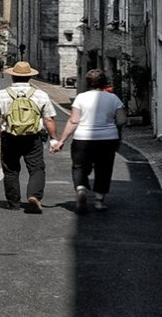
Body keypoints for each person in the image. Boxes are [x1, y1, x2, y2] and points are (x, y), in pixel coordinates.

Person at [52, 68, 125, 212]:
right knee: (104, 169)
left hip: (82, 138)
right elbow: (122, 120)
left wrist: (61, 140)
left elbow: (73, 121)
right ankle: (99, 201)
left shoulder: (81, 98)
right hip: (107, 139)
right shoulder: (113, 98)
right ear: (104, 82)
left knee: (79, 166)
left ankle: (81, 189)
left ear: (87, 83)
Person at [0, 61, 57, 212]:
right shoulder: (40, 95)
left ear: (12, 77)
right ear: (30, 77)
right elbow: (48, 119)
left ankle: (13, 203)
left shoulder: (2, 94)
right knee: (36, 168)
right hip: (33, 137)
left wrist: (1, 134)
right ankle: (34, 195)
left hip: (10, 136)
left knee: (11, 169)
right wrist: (54, 138)